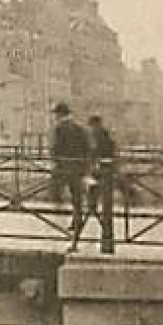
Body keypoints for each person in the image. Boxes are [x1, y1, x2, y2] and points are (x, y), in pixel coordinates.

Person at [51, 101, 92, 249]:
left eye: (56, 114)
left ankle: (71, 225)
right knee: (77, 196)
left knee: (58, 192)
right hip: (78, 167)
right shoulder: (80, 128)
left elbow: (56, 148)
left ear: (60, 114)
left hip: (65, 167)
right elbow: (88, 147)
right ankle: (77, 220)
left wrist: (57, 162)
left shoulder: (60, 128)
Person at [74, 114, 117, 246]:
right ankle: (105, 237)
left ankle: (79, 235)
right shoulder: (106, 136)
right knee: (97, 206)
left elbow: (94, 153)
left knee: (92, 205)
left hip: (98, 174)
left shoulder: (96, 137)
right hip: (104, 174)